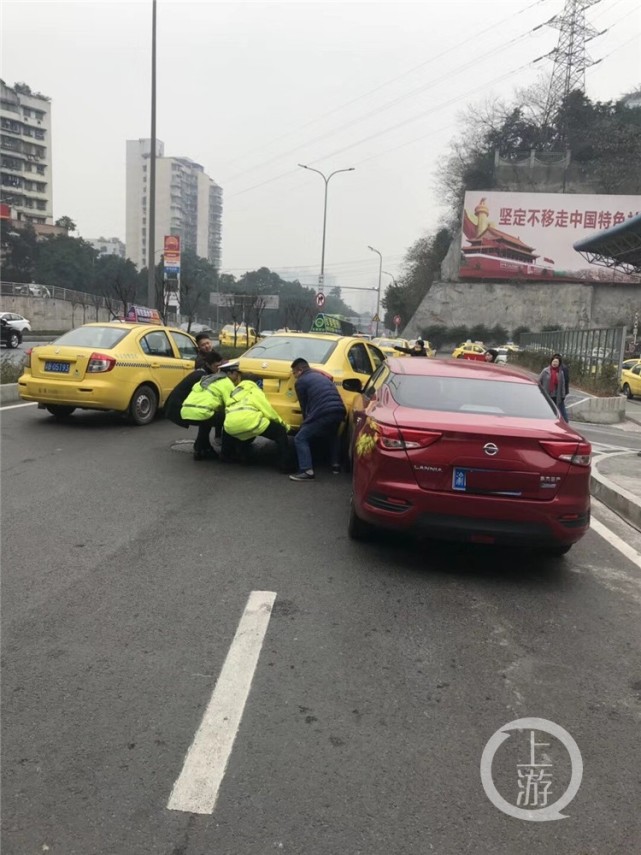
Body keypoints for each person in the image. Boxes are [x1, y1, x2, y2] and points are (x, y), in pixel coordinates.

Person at [219, 362, 293, 471]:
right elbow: (268, 411)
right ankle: (285, 465)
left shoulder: (234, 391)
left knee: (234, 429)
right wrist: (284, 425)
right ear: (257, 383)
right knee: (280, 432)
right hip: (251, 423)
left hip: (231, 426)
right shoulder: (255, 391)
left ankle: (227, 455)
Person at [289, 357, 347, 481]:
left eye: (294, 373)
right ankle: (335, 466)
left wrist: (305, 425)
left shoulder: (301, 382)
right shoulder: (321, 377)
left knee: (300, 438)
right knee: (333, 436)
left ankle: (306, 470)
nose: (294, 376)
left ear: (299, 370)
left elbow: (304, 406)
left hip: (323, 412)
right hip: (339, 410)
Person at [165, 350, 224, 460]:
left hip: (177, 405)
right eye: (217, 366)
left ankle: (202, 446)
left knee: (206, 415)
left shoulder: (202, 373)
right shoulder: (202, 377)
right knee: (209, 416)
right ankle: (201, 447)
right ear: (208, 365)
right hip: (178, 408)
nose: (219, 369)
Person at [179, 359, 237, 459]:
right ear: (230, 372)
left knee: (206, 419)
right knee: (229, 418)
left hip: (186, 411)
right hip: (201, 412)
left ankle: (200, 448)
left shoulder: (206, 378)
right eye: (236, 373)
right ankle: (227, 452)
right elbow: (231, 404)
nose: (237, 377)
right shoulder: (227, 382)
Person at [539, 355, 567, 421]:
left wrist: (563, 395)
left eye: (556, 362)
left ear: (559, 364)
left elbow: (563, 384)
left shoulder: (561, 373)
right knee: (545, 409)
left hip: (555, 396)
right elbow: (539, 381)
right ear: (551, 362)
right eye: (554, 361)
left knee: (554, 411)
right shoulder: (545, 371)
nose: (555, 363)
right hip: (546, 394)